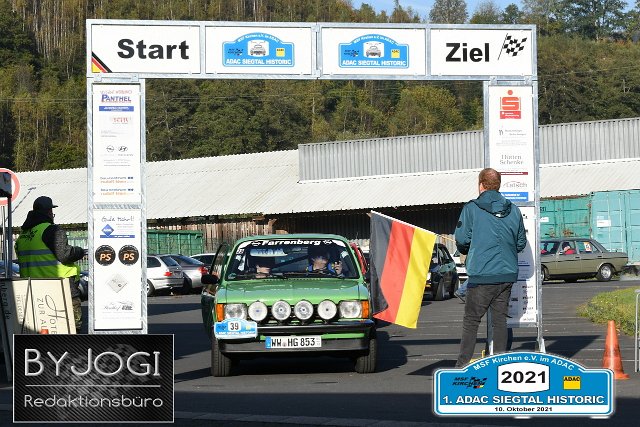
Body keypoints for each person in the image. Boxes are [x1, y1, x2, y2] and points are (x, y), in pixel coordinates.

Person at [454, 168, 526, 367]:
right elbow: (521, 243)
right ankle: (500, 364)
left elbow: (461, 239)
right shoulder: (513, 209)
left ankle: (462, 366)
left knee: (471, 321)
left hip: (482, 274)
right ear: (498, 185)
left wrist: (469, 248)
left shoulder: (471, 208)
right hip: (507, 274)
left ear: (481, 185)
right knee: (499, 321)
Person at [15, 196, 86, 332]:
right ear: (49, 212)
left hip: (34, 288)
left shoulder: (23, 235)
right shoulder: (52, 230)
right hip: (61, 286)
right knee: (71, 327)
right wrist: (80, 251)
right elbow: (65, 254)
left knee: (44, 327)